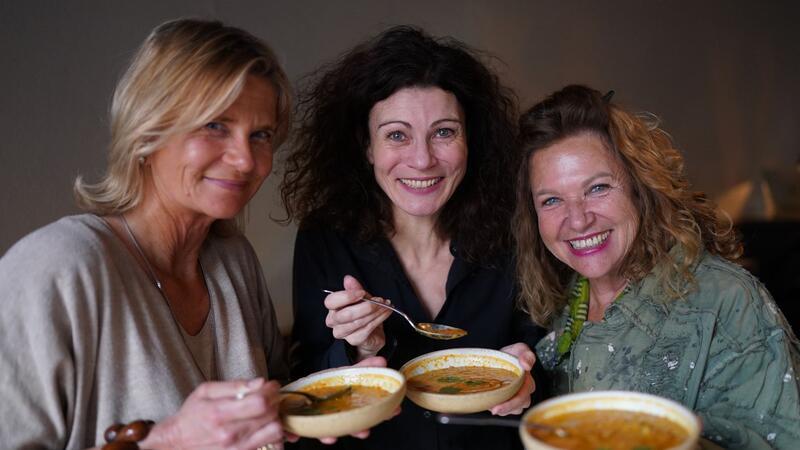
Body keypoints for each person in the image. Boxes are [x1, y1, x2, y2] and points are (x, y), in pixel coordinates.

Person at [0, 18, 350, 450]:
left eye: (259, 135)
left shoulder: (233, 259)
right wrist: (167, 441)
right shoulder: (55, 267)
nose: (245, 159)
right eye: (215, 126)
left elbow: (269, 406)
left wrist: (336, 399)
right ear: (147, 131)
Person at [280, 26, 544, 450]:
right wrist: (364, 352)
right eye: (397, 135)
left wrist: (528, 374)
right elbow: (309, 388)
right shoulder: (325, 237)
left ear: (471, 141)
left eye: (444, 132)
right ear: (367, 146)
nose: (422, 160)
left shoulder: (515, 232)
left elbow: (546, 355)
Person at [513, 84, 800, 449]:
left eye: (597, 188)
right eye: (552, 200)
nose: (578, 220)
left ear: (640, 186)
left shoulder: (725, 300)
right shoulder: (564, 300)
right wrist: (520, 383)